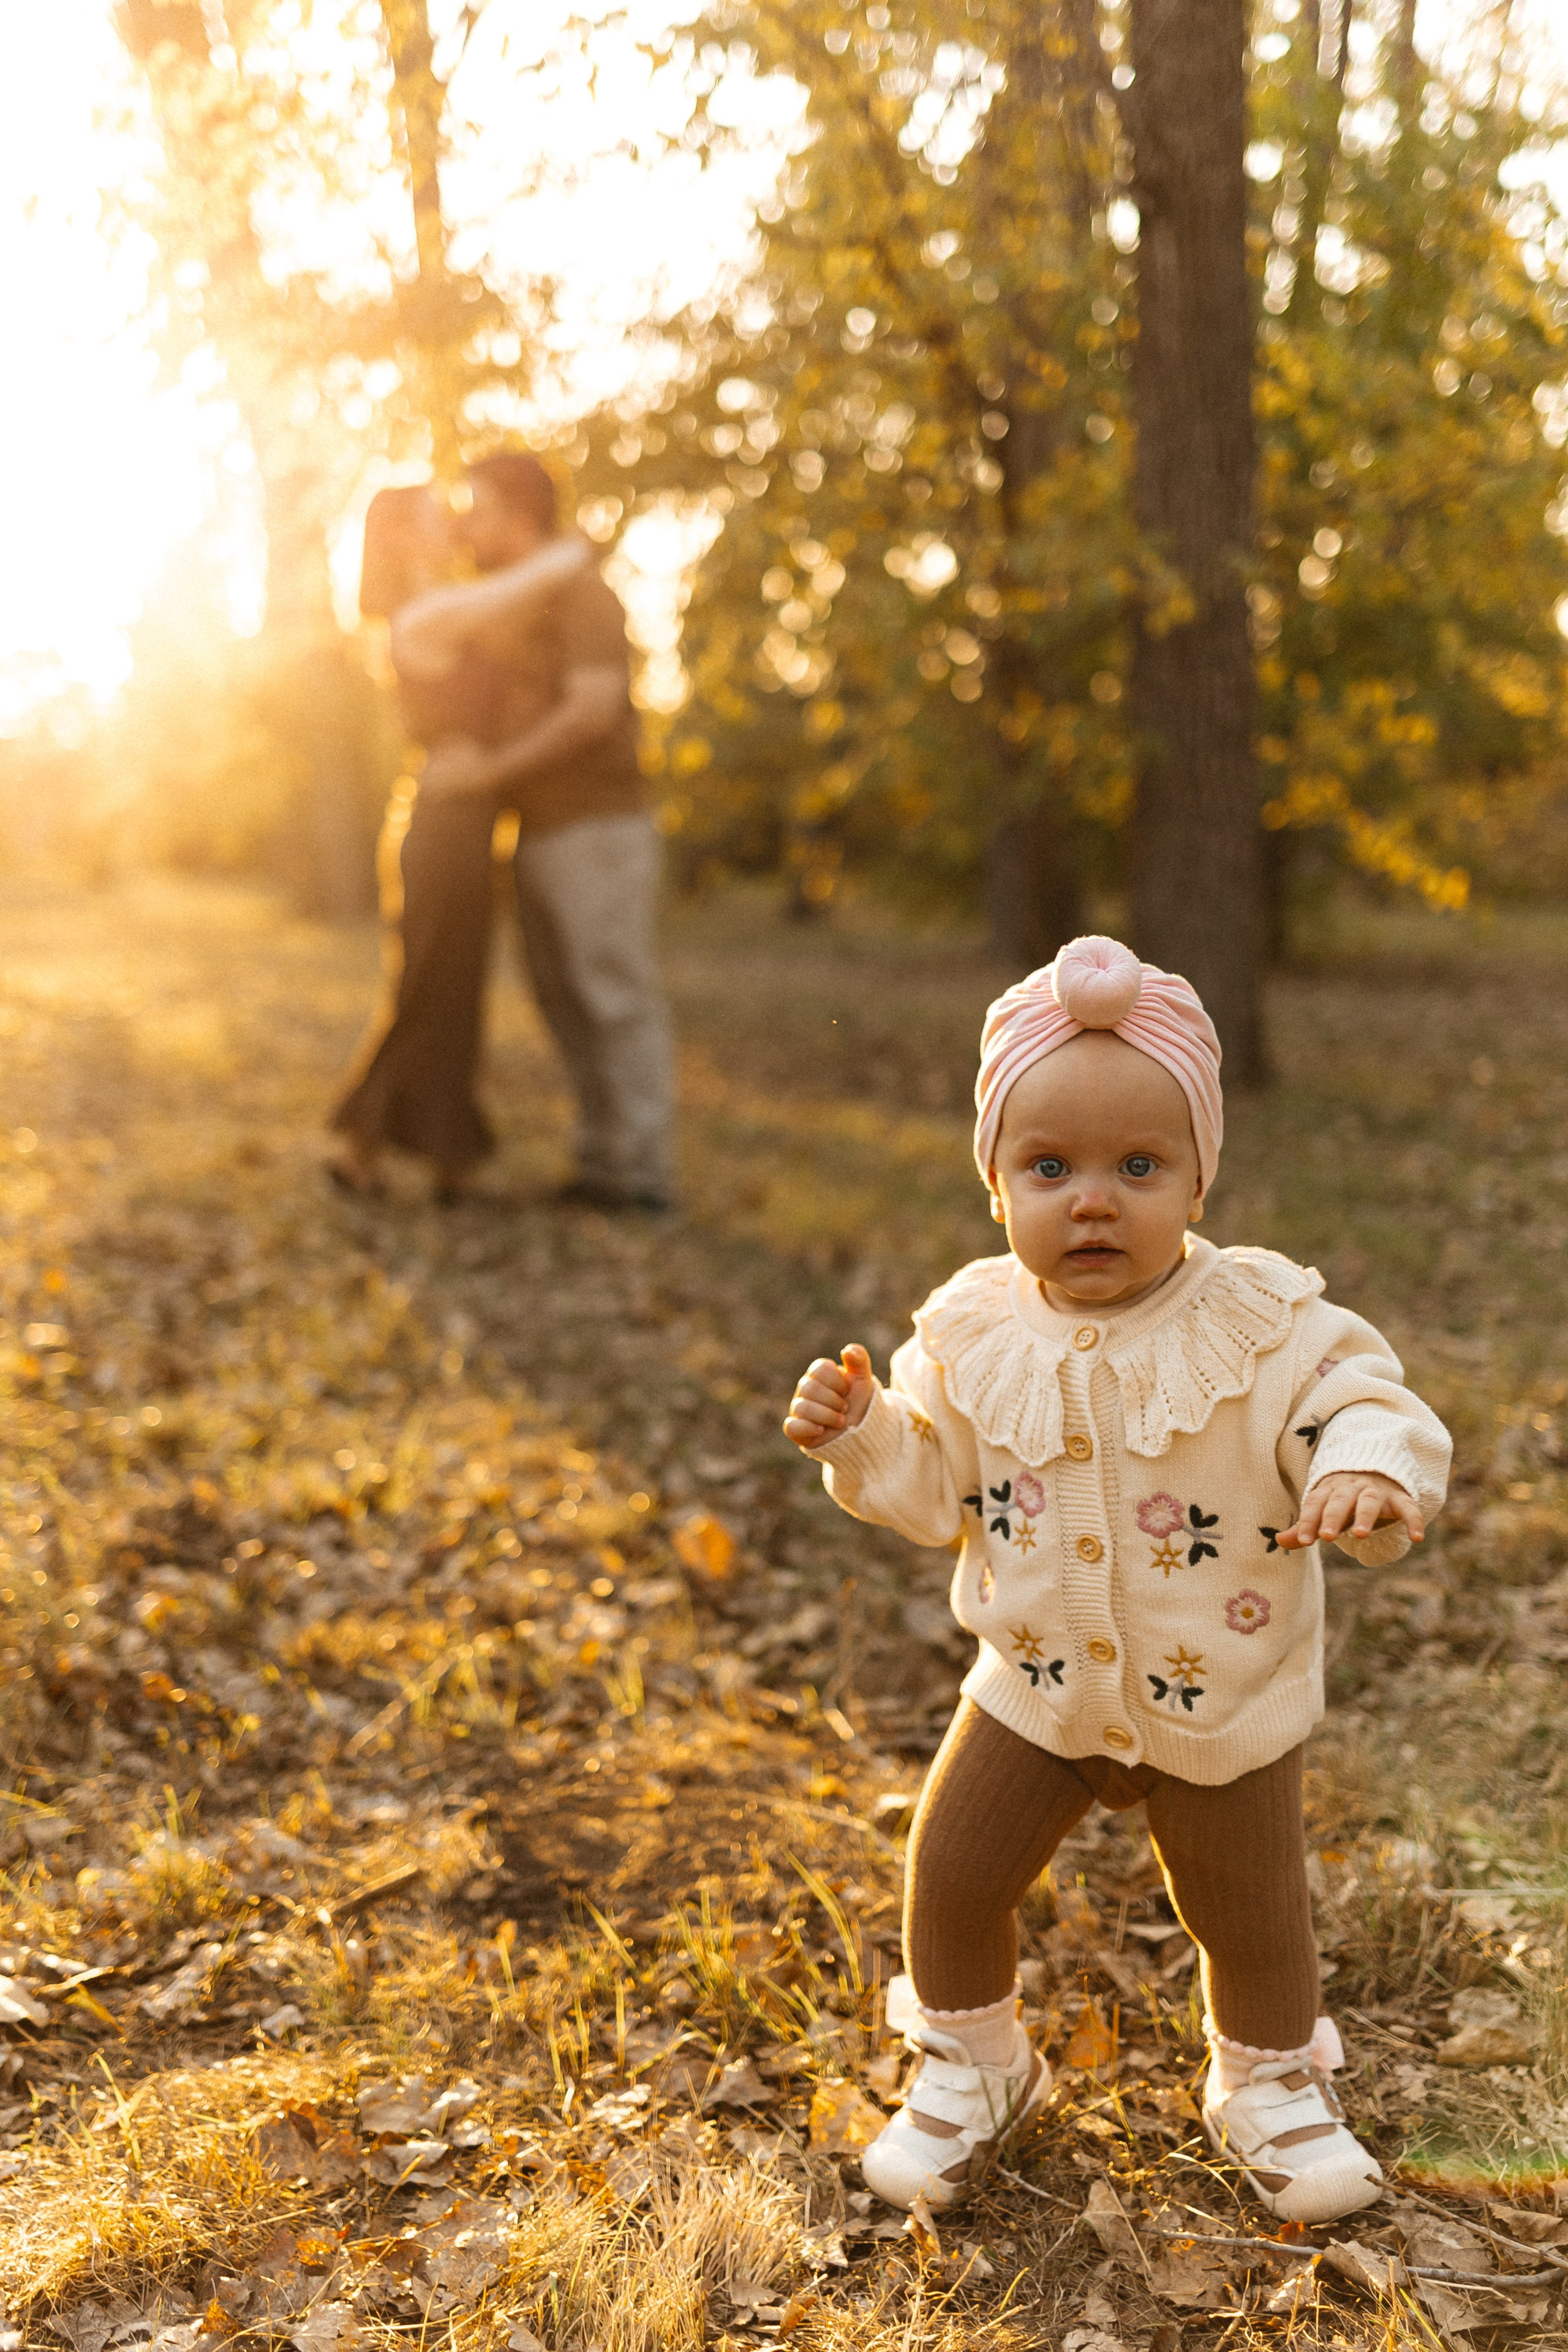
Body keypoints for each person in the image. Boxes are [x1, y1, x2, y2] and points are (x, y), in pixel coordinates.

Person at [784, 934, 1450, 2225]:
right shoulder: (972, 1332)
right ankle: (974, 2067)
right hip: (1031, 1687)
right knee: (953, 1875)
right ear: (994, 1189)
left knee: (1248, 1918)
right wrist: (865, 1431)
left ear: (1199, 1178)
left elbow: (1359, 1397)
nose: (1092, 1200)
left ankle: (1264, 2082)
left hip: (1224, 1696)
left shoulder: (1259, 1323)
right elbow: (931, 1492)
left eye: (1136, 1167)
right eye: (1050, 1168)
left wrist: (1363, 1467)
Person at [405, 450, 676, 1213]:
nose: (467, 525)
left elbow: (592, 709)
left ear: (523, 520)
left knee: (611, 992)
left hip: (597, 825)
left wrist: (488, 774)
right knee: (562, 995)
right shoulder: (516, 602)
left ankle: (644, 1172)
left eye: (481, 510)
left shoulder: (583, 596)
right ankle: (602, 1161)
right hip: (541, 829)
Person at [330, 481, 589, 1200]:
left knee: (452, 984)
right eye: (439, 518)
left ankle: (441, 1160)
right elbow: (542, 578)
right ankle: (371, 1151)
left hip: (464, 823)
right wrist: (571, 544)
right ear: (404, 540)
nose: (457, 526)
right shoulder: (427, 615)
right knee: (430, 984)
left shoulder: (440, 606)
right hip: (443, 823)